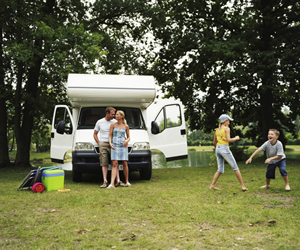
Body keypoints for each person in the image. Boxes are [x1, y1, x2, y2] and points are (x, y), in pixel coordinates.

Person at [210, 114, 248, 191]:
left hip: (218, 148)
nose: (229, 122)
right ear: (225, 121)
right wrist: (236, 138)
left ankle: (212, 186)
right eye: (228, 120)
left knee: (220, 169)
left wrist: (218, 149)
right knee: (235, 167)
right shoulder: (227, 129)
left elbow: (214, 142)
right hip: (224, 148)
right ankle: (242, 186)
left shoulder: (217, 130)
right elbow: (228, 140)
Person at [93, 107, 125, 188]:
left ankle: (118, 181)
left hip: (114, 144)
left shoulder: (115, 122)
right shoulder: (100, 122)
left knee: (115, 163)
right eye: (112, 114)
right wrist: (99, 143)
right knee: (104, 163)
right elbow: (95, 134)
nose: (114, 116)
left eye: (115, 114)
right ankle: (105, 181)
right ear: (107, 113)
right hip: (103, 143)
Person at [107, 110, 131, 188]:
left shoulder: (126, 126)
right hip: (115, 146)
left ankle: (127, 181)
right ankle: (112, 184)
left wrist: (126, 140)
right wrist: (110, 143)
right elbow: (110, 135)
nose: (116, 116)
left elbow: (129, 137)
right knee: (114, 164)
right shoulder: (113, 125)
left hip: (123, 146)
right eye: (116, 114)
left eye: (117, 114)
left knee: (124, 164)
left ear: (122, 116)